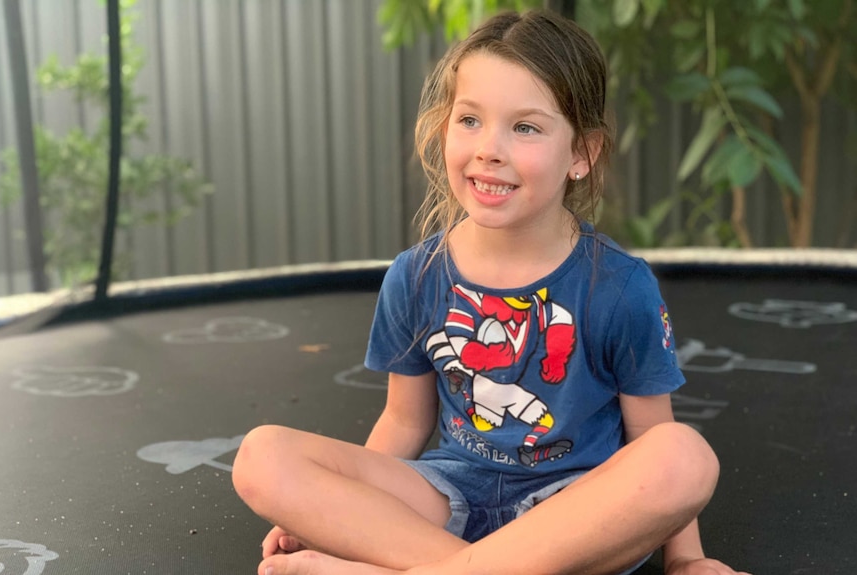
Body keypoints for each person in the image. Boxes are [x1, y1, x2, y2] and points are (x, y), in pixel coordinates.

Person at [232, 9, 750, 575]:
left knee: (685, 456)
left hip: (571, 515)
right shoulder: (417, 274)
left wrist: (687, 561)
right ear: (443, 126)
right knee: (263, 456)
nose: (489, 149)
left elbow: (650, 433)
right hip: (445, 496)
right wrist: (343, 515)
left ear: (583, 153)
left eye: (525, 127)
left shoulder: (619, 287)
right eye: (470, 120)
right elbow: (405, 423)